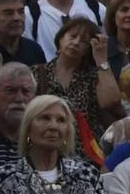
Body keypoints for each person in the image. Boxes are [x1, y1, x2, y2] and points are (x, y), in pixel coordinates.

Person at [32, 17, 123, 147]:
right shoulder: (37, 72)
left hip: (84, 152)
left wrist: (101, 60)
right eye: (72, 36)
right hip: (45, 146)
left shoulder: (93, 77)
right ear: (61, 38)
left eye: (84, 41)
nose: (76, 42)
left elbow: (111, 101)